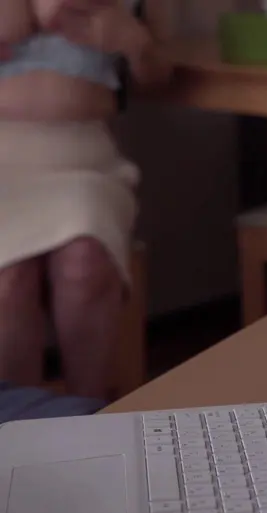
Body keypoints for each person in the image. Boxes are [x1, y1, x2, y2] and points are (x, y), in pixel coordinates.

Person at [0, 0, 171, 400]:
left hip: (86, 163)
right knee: (9, 280)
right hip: (5, 174)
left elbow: (159, 77)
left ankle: (88, 412)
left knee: (85, 261)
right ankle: (20, 424)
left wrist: (134, 42)